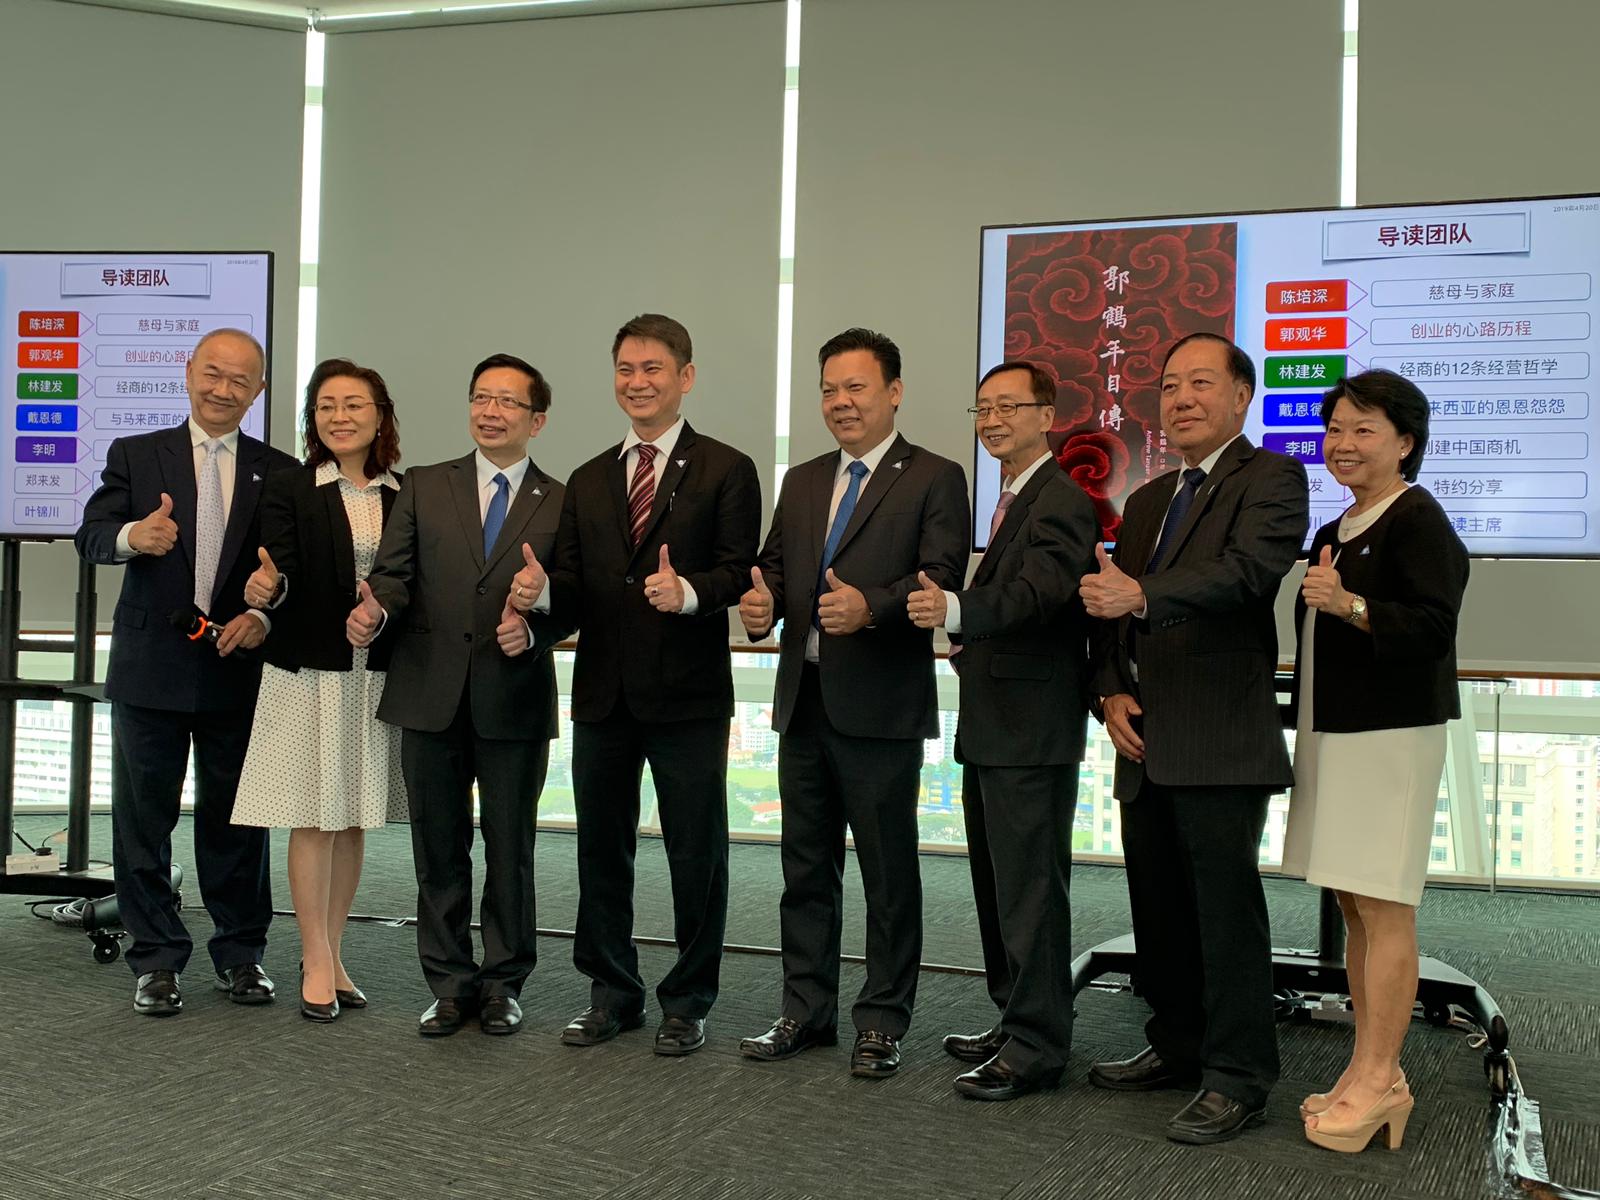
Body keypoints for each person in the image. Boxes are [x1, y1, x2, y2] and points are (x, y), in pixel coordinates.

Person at [1081, 332, 1308, 1143]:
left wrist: (1141, 596)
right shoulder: (1148, 498)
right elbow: (1111, 607)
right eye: (1171, 385)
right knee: (1160, 910)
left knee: (1224, 914)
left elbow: (1246, 574)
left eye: (1201, 383)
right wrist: (1109, 689)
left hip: (1218, 732)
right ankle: (1176, 1044)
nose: (1181, 399)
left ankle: (1239, 1076)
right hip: (1142, 735)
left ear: (1242, 395)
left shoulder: (1272, 478)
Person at [520, 314, 759, 1057]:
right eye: (626, 368)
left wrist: (689, 593)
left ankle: (688, 1001)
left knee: (696, 854)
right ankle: (611, 994)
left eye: (653, 368)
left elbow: (739, 569)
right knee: (601, 851)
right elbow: (574, 583)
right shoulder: (589, 477)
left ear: (685, 377)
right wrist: (540, 594)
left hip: (687, 695)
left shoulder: (727, 468)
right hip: (603, 694)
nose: (638, 381)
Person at [738, 327, 969, 1078]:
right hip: (803, 701)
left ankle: (882, 1021)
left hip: (881, 704)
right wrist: (761, 604)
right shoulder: (804, 479)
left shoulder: (934, 476)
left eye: (856, 387)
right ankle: (805, 1011)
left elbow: (940, 574)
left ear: (893, 392)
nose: (841, 402)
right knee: (805, 870)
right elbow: (774, 567)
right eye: (829, 389)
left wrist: (871, 607)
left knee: (887, 873)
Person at [75, 327, 297, 1016]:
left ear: (259, 391)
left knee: (238, 823)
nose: (223, 390)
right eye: (213, 373)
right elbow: (92, 535)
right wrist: (132, 536)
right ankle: (155, 960)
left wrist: (266, 608)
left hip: (237, 665)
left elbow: (289, 570)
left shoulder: (279, 470)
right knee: (143, 823)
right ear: (189, 371)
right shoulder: (137, 454)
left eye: (240, 380)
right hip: (150, 669)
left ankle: (241, 955)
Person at [346, 353, 566, 1037]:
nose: (490, 412)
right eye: (480, 397)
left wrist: (537, 619)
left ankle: (503, 984)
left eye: (507, 401)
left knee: (510, 850)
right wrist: (377, 609)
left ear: (537, 420)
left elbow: (575, 595)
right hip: (428, 692)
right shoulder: (423, 484)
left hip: (514, 695)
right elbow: (393, 574)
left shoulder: (563, 500)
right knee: (437, 850)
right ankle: (447, 983)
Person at [1282, 369, 1468, 1154]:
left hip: (1390, 740)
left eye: (1364, 429)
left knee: (1386, 907)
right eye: (1335, 429)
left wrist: (1349, 604)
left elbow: (1432, 627)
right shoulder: (1339, 525)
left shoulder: (1417, 518)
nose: (1344, 443)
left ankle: (1385, 1078)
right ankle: (1365, 1068)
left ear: (1405, 443)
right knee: (1355, 905)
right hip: (1337, 735)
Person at [906, 360, 1097, 1100]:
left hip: (1032, 727)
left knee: (1030, 891)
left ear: (1047, 416)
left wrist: (956, 610)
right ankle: (1014, 1019)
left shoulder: (1062, 499)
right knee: (998, 885)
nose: (991, 420)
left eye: (1008, 407)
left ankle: (1039, 1045)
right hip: (997, 723)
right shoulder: (1013, 497)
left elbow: (1040, 593)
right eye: (982, 408)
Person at [231, 358, 406, 1022]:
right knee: (313, 816)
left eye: (354, 404)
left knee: (353, 817)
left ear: (380, 416)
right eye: (326, 406)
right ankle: (311, 956)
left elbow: (410, 579)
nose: (340, 416)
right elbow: (281, 569)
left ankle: (334, 954)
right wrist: (268, 589)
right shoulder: (291, 485)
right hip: (311, 674)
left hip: (374, 673)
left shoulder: (404, 491)